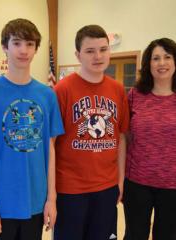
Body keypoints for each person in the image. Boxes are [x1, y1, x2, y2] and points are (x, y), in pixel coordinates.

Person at [0, 18, 64, 240]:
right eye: (16, 43)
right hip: (0, 204)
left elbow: (50, 150)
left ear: (36, 49)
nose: (23, 50)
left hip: (35, 202)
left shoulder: (47, 95)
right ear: (5, 47)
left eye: (30, 44)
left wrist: (51, 199)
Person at [53, 25, 129, 240]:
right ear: (78, 55)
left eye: (103, 49)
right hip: (69, 189)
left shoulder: (117, 90)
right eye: (90, 51)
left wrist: (120, 181)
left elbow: (120, 138)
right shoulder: (62, 90)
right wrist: (51, 191)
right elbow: (51, 143)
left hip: (106, 187)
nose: (98, 56)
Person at [123, 38, 176, 240]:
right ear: (148, 64)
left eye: (167, 57)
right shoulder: (135, 95)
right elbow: (125, 136)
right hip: (137, 183)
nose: (161, 63)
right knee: (134, 235)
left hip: (172, 186)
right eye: (156, 58)